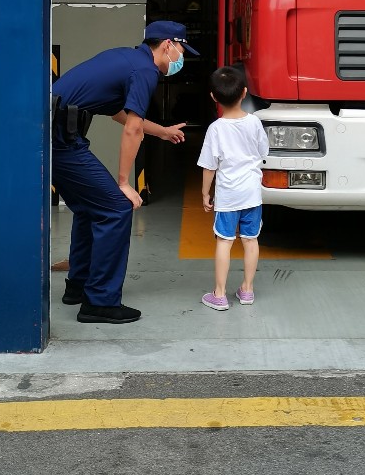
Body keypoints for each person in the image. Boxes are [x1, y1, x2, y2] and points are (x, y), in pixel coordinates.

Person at [52, 20, 199, 324]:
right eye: (182, 49)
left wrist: (161, 131)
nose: (181, 57)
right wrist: (123, 183)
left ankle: (78, 286)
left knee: (89, 208)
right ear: (168, 45)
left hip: (54, 133)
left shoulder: (127, 59)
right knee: (116, 208)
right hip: (61, 139)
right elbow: (132, 129)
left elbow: (117, 112)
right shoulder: (145, 71)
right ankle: (100, 302)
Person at [197, 66, 269, 311]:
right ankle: (247, 290)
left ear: (213, 97)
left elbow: (209, 166)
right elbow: (263, 152)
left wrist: (206, 193)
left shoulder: (216, 128)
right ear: (245, 93)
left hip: (228, 196)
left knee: (224, 242)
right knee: (251, 241)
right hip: (251, 194)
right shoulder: (255, 123)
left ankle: (219, 294)